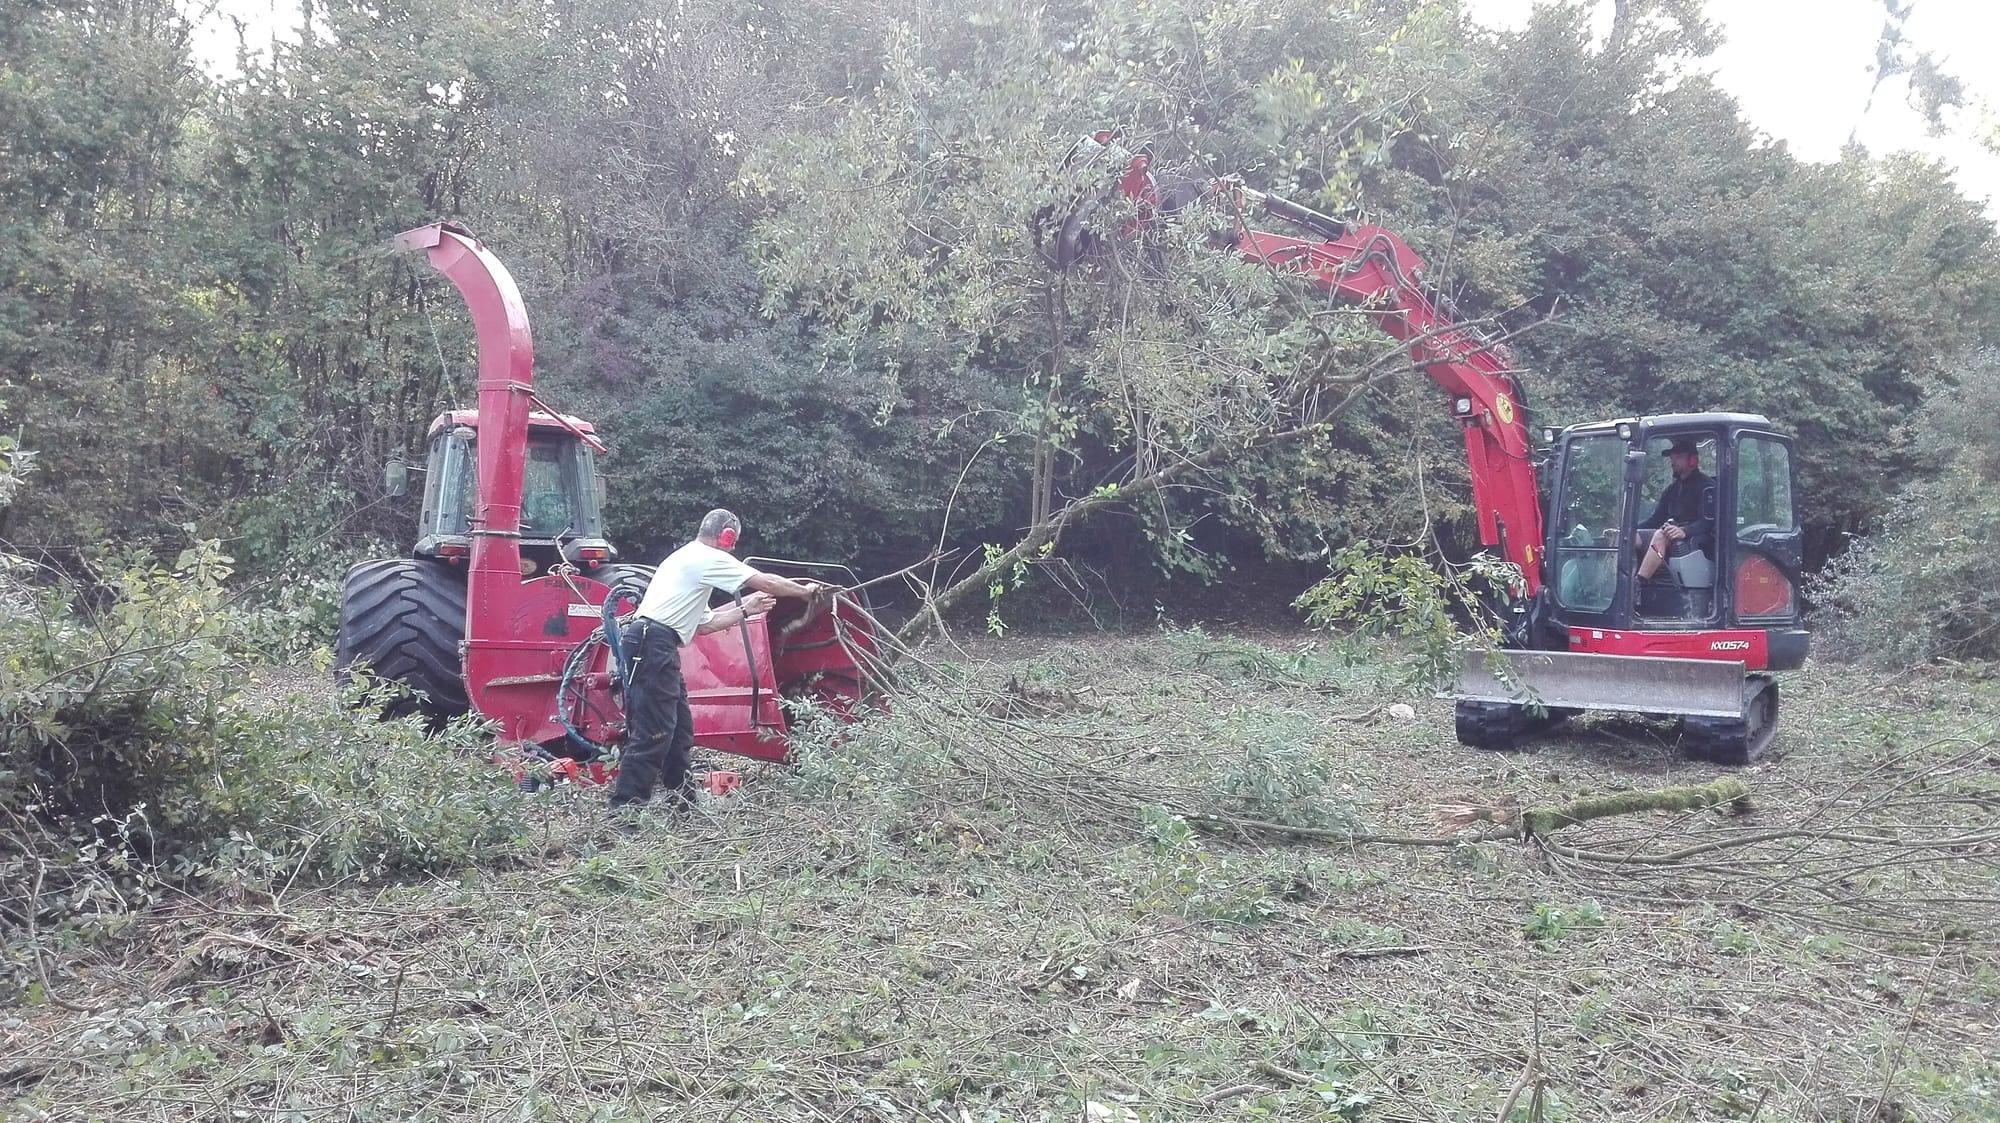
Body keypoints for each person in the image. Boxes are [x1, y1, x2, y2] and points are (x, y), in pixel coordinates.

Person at [610, 508, 822, 813]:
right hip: (653, 644)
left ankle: (682, 807)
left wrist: (746, 609)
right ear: (726, 536)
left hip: (656, 644)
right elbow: (769, 582)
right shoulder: (706, 557)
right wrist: (805, 591)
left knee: (679, 733)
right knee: (654, 734)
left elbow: (705, 624)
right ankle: (623, 814)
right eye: (733, 541)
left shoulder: (688, 560)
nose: (733, 548)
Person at [1635, 437, 1714, 581]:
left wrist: (1684, 531)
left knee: (1660, 535)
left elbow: (1707, 522)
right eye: (1672, 457)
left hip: (1697, 541)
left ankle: (1637, 583)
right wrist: (1629, 530)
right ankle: (1617, 582)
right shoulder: (1671, 490)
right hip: (1672, 534)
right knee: (1630, 538)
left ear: (1692, 460)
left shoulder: (1707, 488)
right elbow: (1655, 520)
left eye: (1678, 457)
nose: (1673, 461)